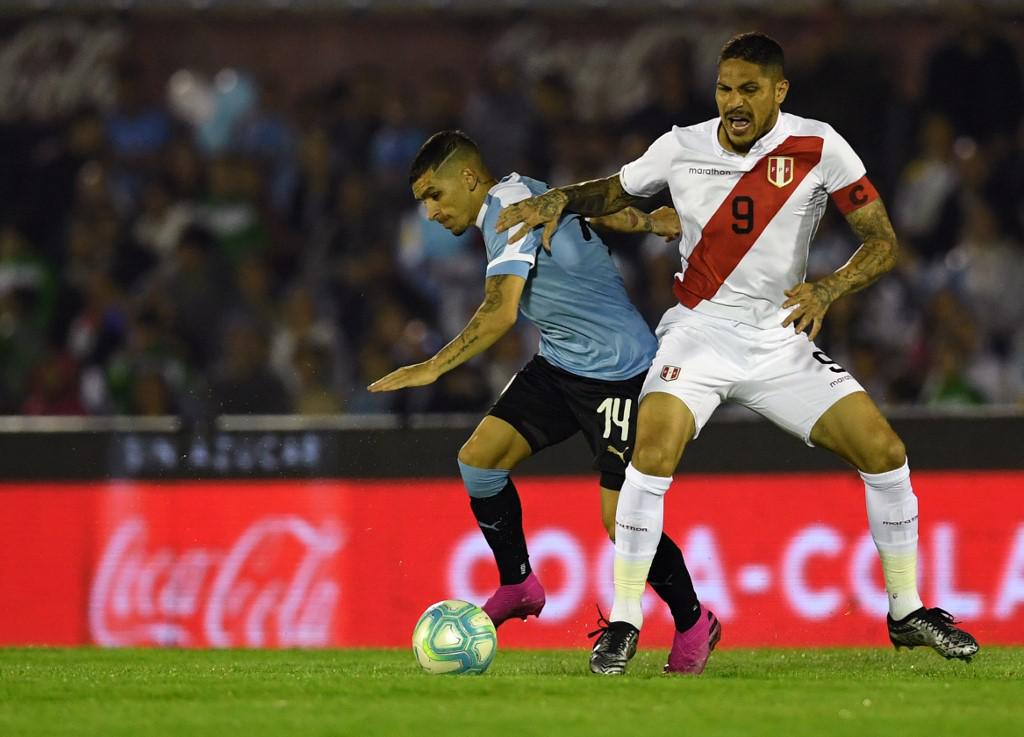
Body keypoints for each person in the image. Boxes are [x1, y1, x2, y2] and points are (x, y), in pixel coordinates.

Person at [496, 32, 980, 675]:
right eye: (725, 89)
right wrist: (561, 196)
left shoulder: (819, 145)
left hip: (780, 337)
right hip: (698, 332)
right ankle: (624, 621)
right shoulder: (680, 146)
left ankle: (906, 611)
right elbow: (616, 190)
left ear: (780, 91)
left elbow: (881, 240)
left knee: (885, 451)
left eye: (749, 89)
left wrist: (832, 286)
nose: (734, 102)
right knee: (653, 447)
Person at [369, 130, 719, 674]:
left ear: (467, 178)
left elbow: (501, 310)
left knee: (620, 521)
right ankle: (519, 583)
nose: (431, 212)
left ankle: (695, 621)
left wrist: (431, 367)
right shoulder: (519, 195)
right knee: (479, 461)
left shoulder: (506, 211)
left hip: (620, 374)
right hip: (560, 363)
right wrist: (648, 222)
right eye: (422, 202)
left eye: (435, 195)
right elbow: (586, 217)